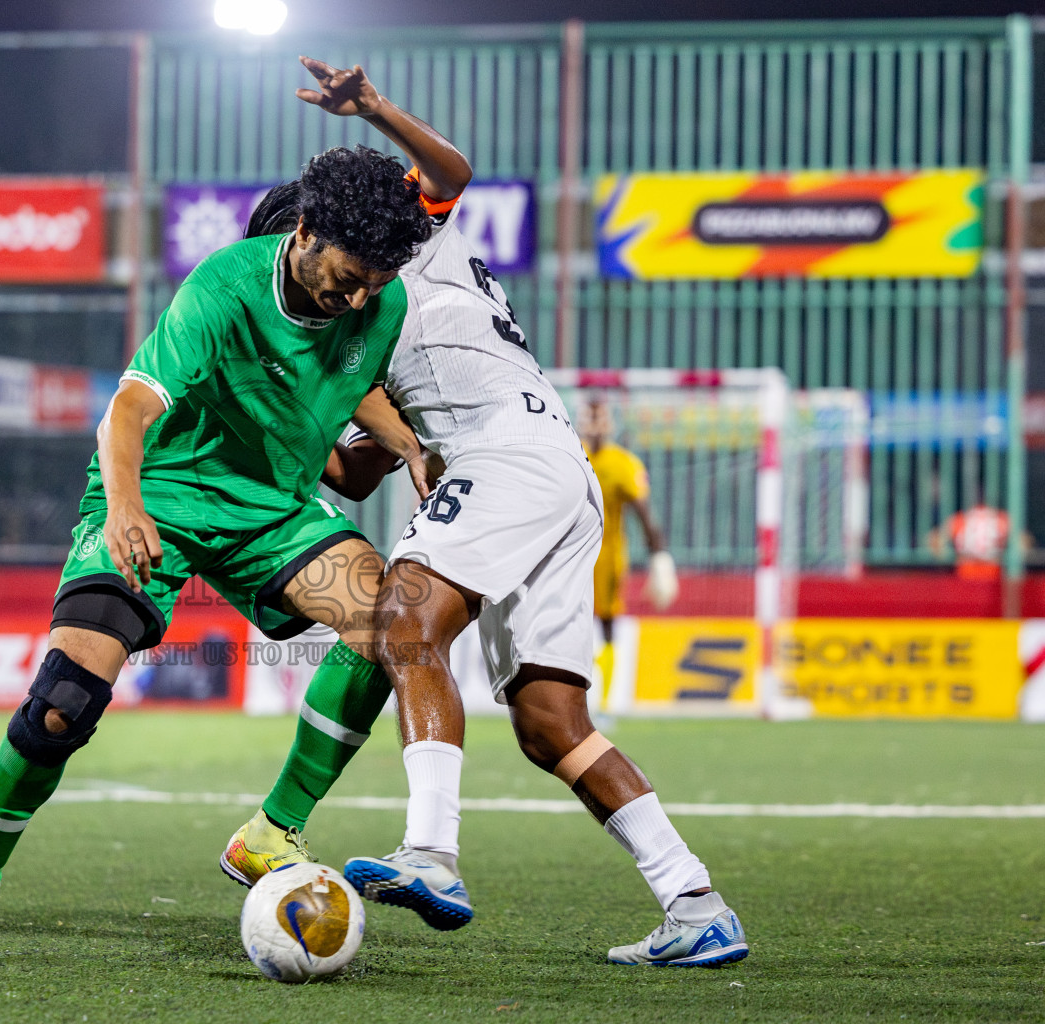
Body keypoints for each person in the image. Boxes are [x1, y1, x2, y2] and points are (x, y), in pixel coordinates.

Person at [227, 57, 748, 968]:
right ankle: (695, 901)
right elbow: (356, 474)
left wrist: (374, 107)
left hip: (504, 450)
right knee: (552, 722)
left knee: (402, 619)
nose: (308, 298)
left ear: (310, 237)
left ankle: (430, 853)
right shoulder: (357, 336)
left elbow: (451, 175)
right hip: (550, 468)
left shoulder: (393, 246)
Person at [0, 141, 436, 960]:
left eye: (378, 278)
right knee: (63, 703)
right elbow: (128, 407)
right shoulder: (224, 287)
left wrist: (407, 444)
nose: (363, 292)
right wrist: (124, 509)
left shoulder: (379, 304)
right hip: (158, 500)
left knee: (398, 621)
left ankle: (272, 830)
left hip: (272, 513)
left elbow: (345, 405)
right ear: (303, 233)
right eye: (352, 271)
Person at [579, 397, 678, 702]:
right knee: (568, 626)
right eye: (590, 417)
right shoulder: (570, 454)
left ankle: (606, 702)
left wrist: (659, 557)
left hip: (607, 558)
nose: (595, 425)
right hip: (568, 558)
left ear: (610, 424)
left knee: (607, 626)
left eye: (601, 418)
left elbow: (645, 514)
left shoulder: (623, 463)